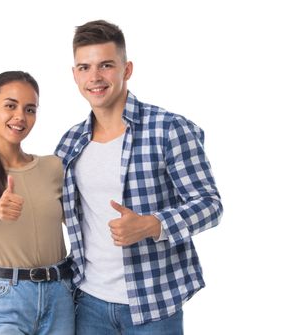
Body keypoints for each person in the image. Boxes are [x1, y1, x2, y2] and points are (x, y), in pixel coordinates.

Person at [55, 20, 223, 334]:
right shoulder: (70, 142)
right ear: (75, 74)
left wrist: (152, 225)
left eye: (106, 65)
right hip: (86, 301)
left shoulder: (169, 128)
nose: (95, 77)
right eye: (85, 67)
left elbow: (210, 205)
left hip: (154, 303)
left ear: (126, 69)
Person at [0, 71, 74, 335]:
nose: (20, 116)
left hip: (60, 293)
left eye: (30, 109)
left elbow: (81, 220)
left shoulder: (53, 167)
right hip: (5, 297)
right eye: (10, 105)